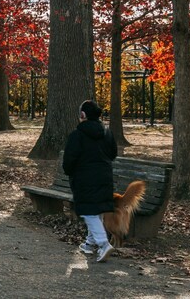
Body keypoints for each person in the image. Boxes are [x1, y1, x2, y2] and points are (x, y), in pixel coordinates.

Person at [63, 99, 118, 263]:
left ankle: (103, 244)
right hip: (105, 177)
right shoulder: (107, 133)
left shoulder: (77, 135)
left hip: (84, 179)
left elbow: (69, 161)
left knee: (88, 212)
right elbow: (113, 154)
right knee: (96, 210)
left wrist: (71, 172)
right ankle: (89, 244)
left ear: (82, 115)